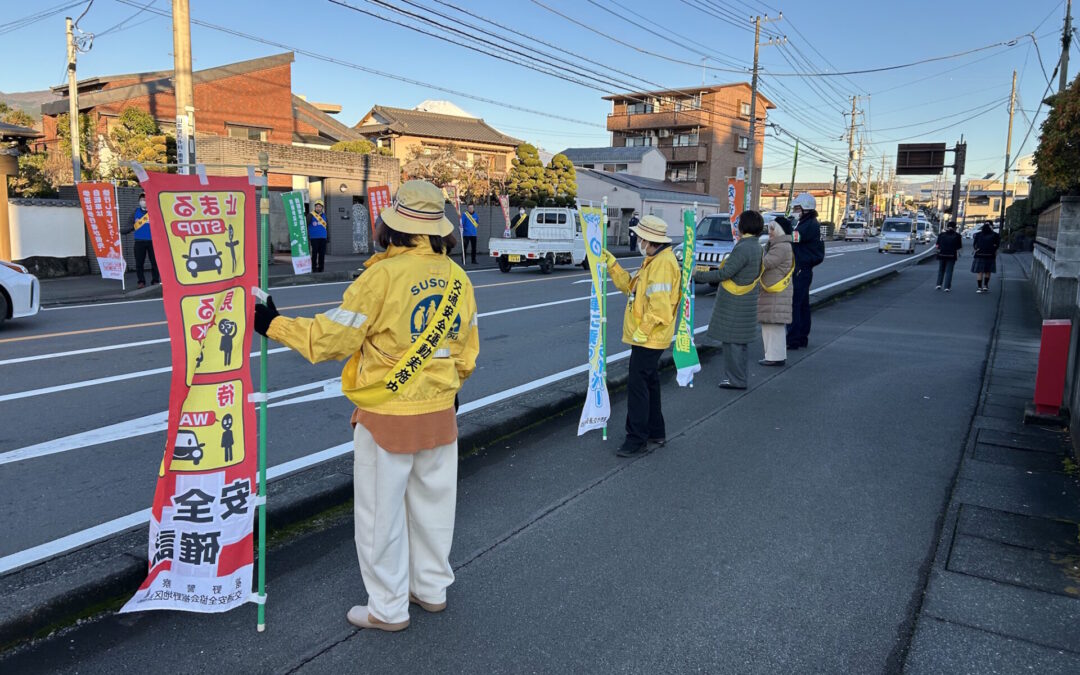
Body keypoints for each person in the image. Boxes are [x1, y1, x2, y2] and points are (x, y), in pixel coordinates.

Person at [253, 180, 479, 632]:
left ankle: (388, 608)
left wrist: (274, 324)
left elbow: (333, 338)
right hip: (440, 410)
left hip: (386, 413)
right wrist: (446, 389)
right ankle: (431, 589)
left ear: (392, 226)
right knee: (435, 505)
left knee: (381, 515)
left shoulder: (381, 276)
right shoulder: (458, 278)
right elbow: (466, 350)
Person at [600, 215, 680, 458]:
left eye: (641, 237)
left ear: (650, 240)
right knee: (649, 383)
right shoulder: (654, 260)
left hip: (649, 337)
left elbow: (660, 310)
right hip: (650, 336)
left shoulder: (662, 264)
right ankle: (656, 431)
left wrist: (641, 331)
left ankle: (636, 439)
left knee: (638, 387)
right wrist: (613, 265)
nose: (638, 240)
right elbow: (631, 288)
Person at [695, 210, 765, 388]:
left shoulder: (744, 247)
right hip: (746, 300)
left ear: (744, 226)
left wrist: (698, 274)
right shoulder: (756, 246)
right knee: (739, 344)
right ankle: (738, 377)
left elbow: (725, 273)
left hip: (735, 303)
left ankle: (736, 379)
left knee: (732, 344)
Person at [776, 193, 824, 350]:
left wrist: (785, 226)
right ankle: (801, 336)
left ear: (806, 209)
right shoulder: (808, 223)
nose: (795, 211)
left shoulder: (808, 225)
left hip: (800, 269)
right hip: (803, 269)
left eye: (797, 208)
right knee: (802, 304)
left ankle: (794, 338)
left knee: (795, 304)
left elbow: (793, 238)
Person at [757, 217, 793, 367]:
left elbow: (766, 263)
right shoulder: (783, 245)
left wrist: (755, 253)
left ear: (779, 230)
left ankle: (773, 357)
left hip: (775, 292)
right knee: (774, 325)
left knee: (772, 325)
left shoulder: (780, 247)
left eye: (772, 229)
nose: (770, 232)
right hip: (777, 291)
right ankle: (775, 355)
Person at [120, 192, 158, 288]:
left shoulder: (154, 212)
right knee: (139, 263)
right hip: (139, 242)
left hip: (153, 242)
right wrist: (122, 230)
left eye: (145, 200)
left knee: (154, 262)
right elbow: (127, 227)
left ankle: (155, 280)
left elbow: (161, 226)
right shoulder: (135, 213)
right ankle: (141, 281)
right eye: (141, 200)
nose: (143, 202)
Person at [972, 221, 1001, 293]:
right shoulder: (995, 235)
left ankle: (979, 287)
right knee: (988, 271)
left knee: (979, 272)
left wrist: (977, 249)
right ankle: (985, 285)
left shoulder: (978, 234)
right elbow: (997, 245)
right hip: (990, 255)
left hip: (979, 255)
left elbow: (975, 245)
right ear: (992, 226)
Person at [934, 222, 963, 292]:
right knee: (949, 271)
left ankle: (938, 284)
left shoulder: (941, 235)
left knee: (941, 270)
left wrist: (937, 251)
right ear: (955, 227)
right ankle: (947, 287)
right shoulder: (958, 236)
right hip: (951, 255)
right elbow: (959, 247)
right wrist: (959, 254)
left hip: (942, 254)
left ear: (947, 227)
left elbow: (937, 245)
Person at [308, 200, 328, 273]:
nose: (318, 208)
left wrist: (327, 237)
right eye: (317, 207)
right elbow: (306, 224)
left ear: (322, 208)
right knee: (314, 253)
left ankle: (321, 268)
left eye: (320, 207)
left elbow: (327, 227)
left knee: (322, 254)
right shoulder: (311, 215)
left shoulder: (324, 216)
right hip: (314, 238)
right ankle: (314, 268)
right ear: (315, 207)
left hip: (323, 238)